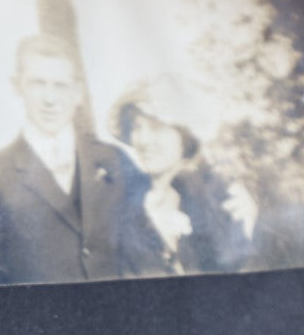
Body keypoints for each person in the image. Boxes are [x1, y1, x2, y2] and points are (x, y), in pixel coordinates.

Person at [0, 34, 153, 289]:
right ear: (17, 86)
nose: (50, 99)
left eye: (61, 86)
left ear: (77, 92)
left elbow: (148, 257)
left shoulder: (115, 161)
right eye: (38, 84)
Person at [109, 78, 259, 275]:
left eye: (156, 126)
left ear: (184, 134)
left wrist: (247, 224)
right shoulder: (122, 204)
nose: (143, 140)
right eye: (137, 128)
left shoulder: (219, 198)